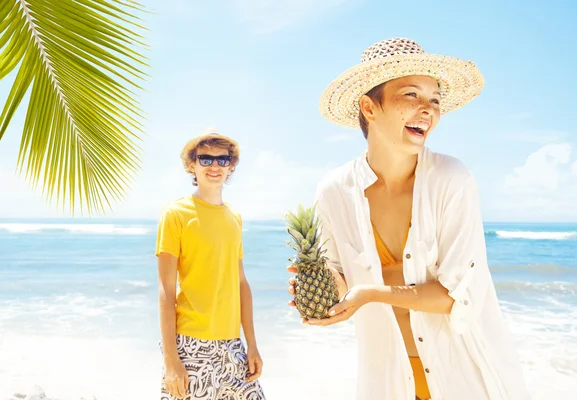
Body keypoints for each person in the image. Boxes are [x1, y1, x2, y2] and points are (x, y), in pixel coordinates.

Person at [287, 38, 530, 400]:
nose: (427, 110)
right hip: (387, 378)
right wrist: (319, 288)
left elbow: (457, 295)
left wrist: (370, 294)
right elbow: (339, 274)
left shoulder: (451, 179)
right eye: (411, 96)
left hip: (463, 373)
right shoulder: (334, 190)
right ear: (369, 107)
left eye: (434, 99)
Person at [156, 129, 266, 400]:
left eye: (222, 160)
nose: (214, 166)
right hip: (192, 345)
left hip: (232, 345)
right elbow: (166, 290)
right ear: (192, 165)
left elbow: (240, 283)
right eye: (205, 159)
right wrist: (171, 360)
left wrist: (251, 344)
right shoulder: (175, 213)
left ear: (231, 166)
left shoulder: (234, 217)